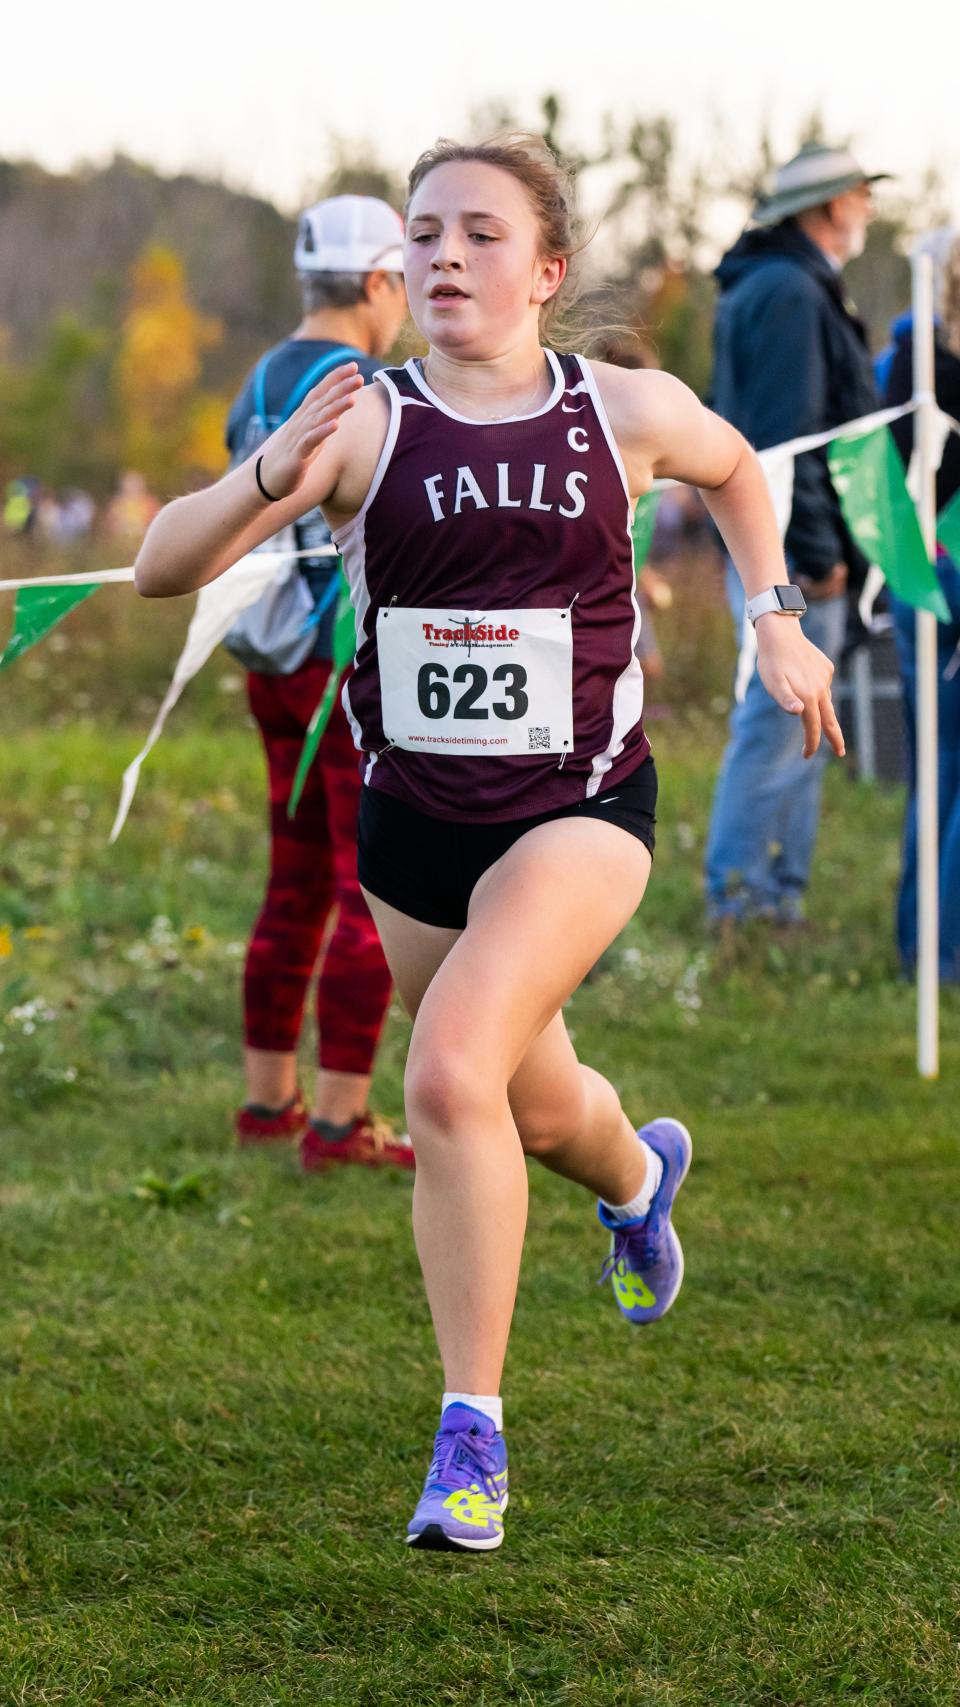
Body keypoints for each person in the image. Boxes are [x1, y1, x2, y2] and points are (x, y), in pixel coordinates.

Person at [134, 134, 842, 1554]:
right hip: (414, 823)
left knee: (448, 1067)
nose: (444, 255)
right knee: (526, 1103)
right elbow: (164, 564)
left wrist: (773, 615)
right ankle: (639, 1180)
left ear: (547, 269)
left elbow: (740, 470)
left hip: (581, 807)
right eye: (423, 234)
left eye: (479, 232)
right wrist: (268, 467)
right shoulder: (363, 424)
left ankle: (472, 1437)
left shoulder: (619, 408)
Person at [223, 195, 414, 1170]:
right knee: (365, 883)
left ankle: (269, 1105)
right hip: (347, 669)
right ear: (379, 282)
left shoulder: (255, 382)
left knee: (292, 880)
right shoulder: (371, 389)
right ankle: (342, 1123)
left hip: (268, 665)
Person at [703, 142, 885, 925]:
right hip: (791, 559)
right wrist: (809, 559)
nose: (869, 210)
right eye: (861, 195)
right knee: (775, 727)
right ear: (831, 205)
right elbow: (786, 442)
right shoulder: (788, 293)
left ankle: (778, 902)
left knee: (805, 728)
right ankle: (738, 901)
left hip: (791, 551)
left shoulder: (789, 284)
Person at [883, 228, 960, 984]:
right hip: (946, 566)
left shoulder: (912, 356)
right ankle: (947, 951)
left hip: (915, 570)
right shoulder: (931, 364)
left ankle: (923, 946)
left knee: (932, 768)